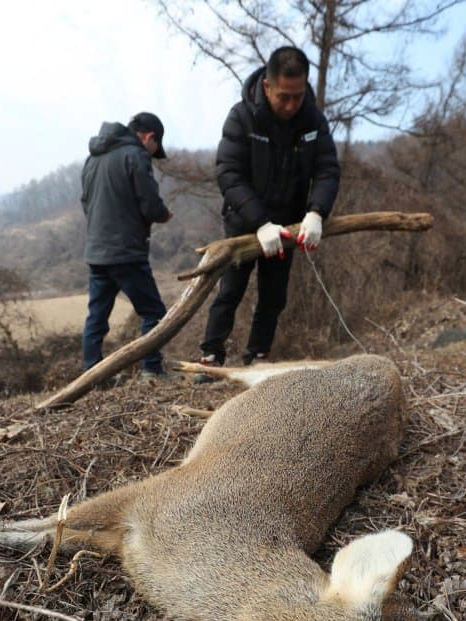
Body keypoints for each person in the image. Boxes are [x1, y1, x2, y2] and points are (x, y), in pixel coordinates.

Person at [199, 46, 340, 369]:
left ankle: (258, 354)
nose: (291, 105)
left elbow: (327, 169)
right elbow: (228, 173)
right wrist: (259, 222)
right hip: (244, 223)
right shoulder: (241, 116)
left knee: (274, 297)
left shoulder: (313, 120)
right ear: (267, 85)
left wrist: (317, 212)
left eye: (298, 95)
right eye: (283, 96)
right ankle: (211, 354)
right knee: (230, 291)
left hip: (288, 224)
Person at [81, 112, 173, 377]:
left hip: (97, 251)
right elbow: (149, 203)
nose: (153, 155)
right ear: (149, 137)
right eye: (155, 149)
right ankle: (152, 370)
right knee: (154, 312)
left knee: (96, 318)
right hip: (126, 252)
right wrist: (162, 214)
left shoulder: (93, 158)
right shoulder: (135, 155)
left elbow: (85, 203)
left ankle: (91, 375)